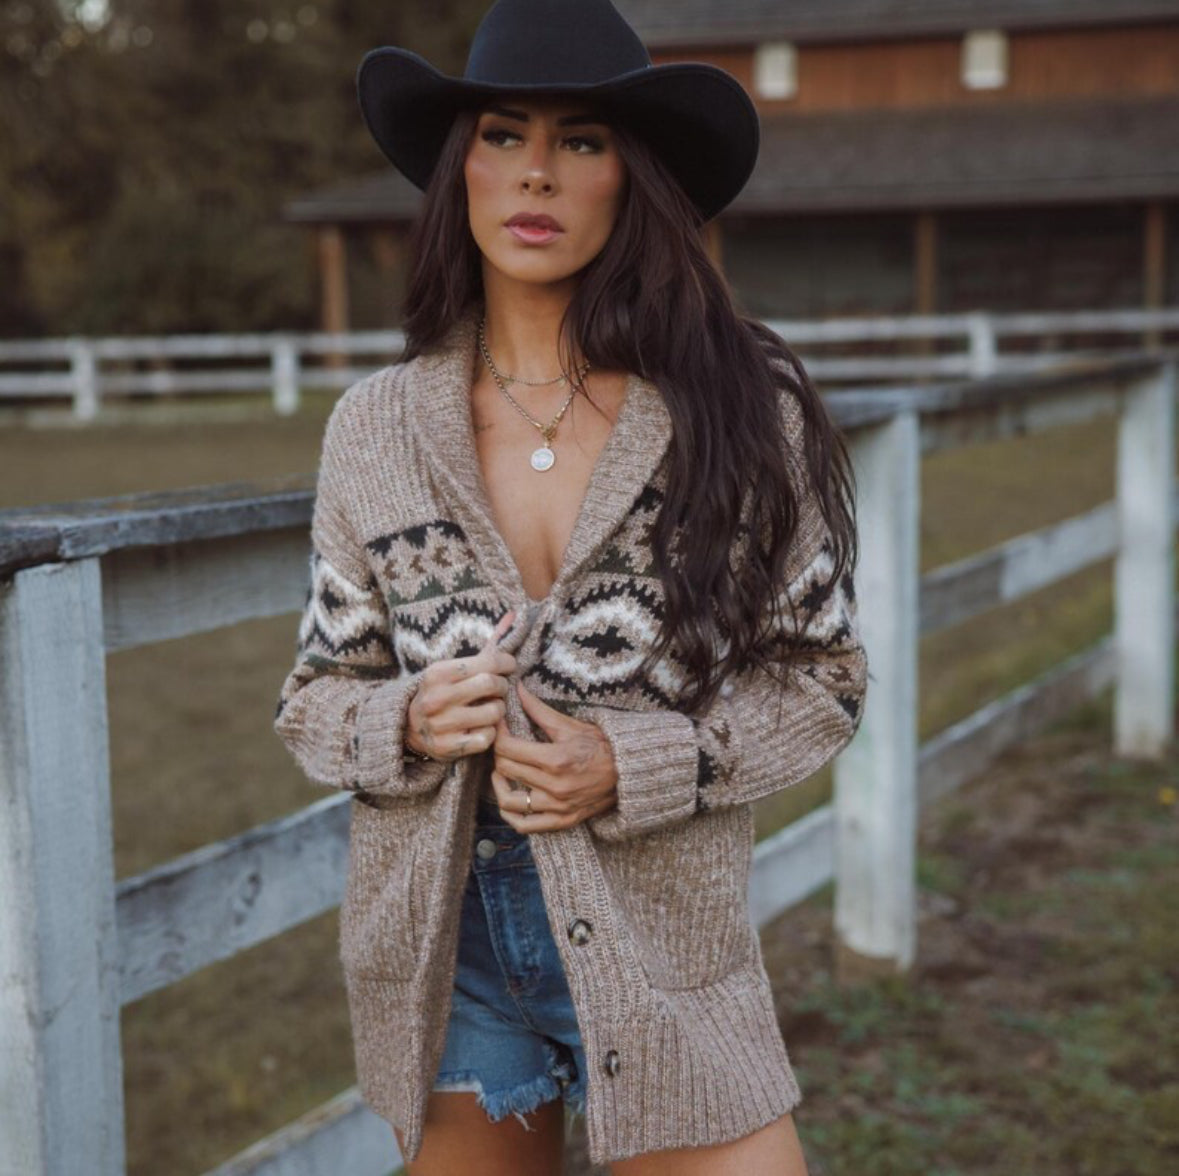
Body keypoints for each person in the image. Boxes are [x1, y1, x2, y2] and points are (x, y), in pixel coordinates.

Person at [273, 2, 869, 1173]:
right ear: (462, 171)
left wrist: (633, 762)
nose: (536, 171)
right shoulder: (377, 431)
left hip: (663, 944)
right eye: (503, 134)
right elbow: (314, 697)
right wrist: (405, 715)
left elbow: (825, 680)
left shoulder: (739, 414)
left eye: (582, 140)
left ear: (630, 179)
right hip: (452, 954)